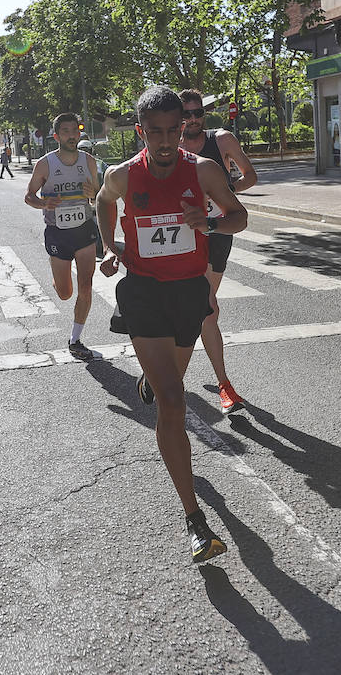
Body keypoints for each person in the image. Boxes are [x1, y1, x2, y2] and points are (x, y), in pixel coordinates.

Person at [97, 85, 248, 562]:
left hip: (188, 294)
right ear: (141, 131)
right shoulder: (122, 175)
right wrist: (107, 247)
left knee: (171, 385)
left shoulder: (201, 170)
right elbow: (103, 201)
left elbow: (238, 216)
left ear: (183, 128)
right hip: (143, 293)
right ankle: (195, 519)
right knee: (173, 400)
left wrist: (208, 225)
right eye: (155, 132)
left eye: (173, 131)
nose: (165, 141)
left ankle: (152, 377)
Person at [177, 88, 258, 414]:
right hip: (182, 235)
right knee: (191, 307)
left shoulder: (222, 140)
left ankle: (224, 386)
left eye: (199, 113)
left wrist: (226, 190)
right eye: (187, 114)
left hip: (218, 231)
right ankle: (166, 371)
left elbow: (250, 175)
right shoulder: (170, 146)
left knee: (206, 307)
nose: (194, 119)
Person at [26, 113, 102, 362]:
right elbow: (29, 196)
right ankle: (58, 280)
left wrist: (94, 194)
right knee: (65, 293)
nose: (72, 135)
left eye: (75, 130)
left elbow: (99, 198)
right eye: (66, 131)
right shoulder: (45, 164)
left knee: (86, 286)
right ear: (57, 136)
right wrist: (44, 203)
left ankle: (75, 339)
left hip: (84, 230)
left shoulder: (89, 162)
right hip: (57, 233)